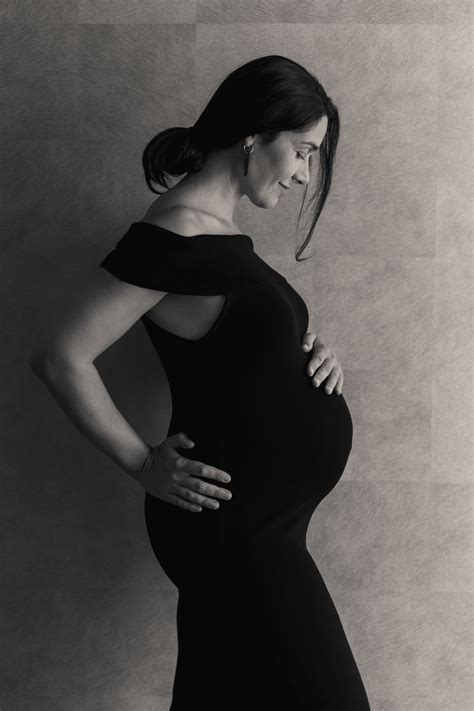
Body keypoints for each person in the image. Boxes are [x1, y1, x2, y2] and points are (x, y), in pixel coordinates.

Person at [29, 55, 371, 710]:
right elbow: (59, 355)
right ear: (256, 135)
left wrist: (311, 355)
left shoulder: (217, 235)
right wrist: (141, 462)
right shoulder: (174, 237)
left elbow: (237, 351)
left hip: (260, 526)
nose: (304, 175)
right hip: (237, 533)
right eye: (302, 151)